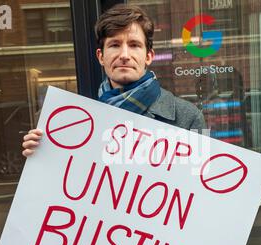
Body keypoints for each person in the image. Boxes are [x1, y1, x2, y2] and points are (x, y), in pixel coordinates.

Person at [22, 4, 206, 157]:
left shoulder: (189, 118)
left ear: (149, 56)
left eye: (134, 45)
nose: (124, 55)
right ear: (101, 57)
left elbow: (202, 186)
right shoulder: (73, 121)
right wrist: (41, 155)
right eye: (115, 45)